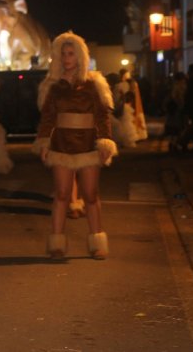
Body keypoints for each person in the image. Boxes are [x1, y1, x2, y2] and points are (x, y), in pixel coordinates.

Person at [33, 32, 117, 260]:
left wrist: (105, 141)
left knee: (90, 194)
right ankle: (57, 244)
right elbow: (48, 118)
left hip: (88, 145)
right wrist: (43, 143)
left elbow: (102, 116)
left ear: (79, 56)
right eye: (63, 54)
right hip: (61, 145)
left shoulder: (93, 84)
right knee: (61, 194)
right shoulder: (53, 87)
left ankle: (97, 242)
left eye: (71, 53)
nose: (67, 58)